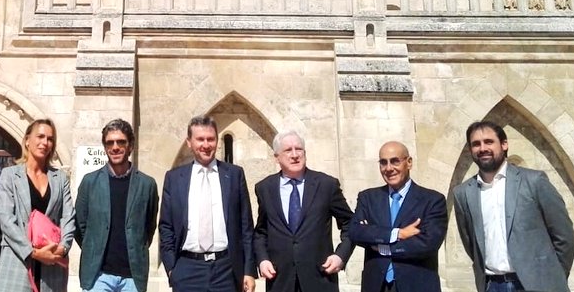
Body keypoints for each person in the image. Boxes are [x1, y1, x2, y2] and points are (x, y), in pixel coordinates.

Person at [453, 121, 574, 292]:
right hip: (492, 286)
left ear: (504, 144)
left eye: (489, 142)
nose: (482, 148)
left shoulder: (534, 181)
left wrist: (554, 277)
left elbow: (564, 237)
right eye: (476, 144)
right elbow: (471, 244)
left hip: (538, 285)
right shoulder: (463, 193)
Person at [158, 115, 256, 292]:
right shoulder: (174, 178)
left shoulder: (234, 175)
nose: (206, 145)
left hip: (226, 269)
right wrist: (172, 268)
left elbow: (246, 226)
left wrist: (248, 270)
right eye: (200, 139)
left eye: (210, 139)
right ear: (189, 142)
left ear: (217, 141)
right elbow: (166, 227)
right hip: (187, 269)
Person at [253, 130, 354, 292]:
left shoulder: (326, 185)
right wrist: (262, 259)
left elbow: (350, 224)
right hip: (280, 281)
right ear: (277, 157)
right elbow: (261, 231)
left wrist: (340, 256)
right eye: (288, 150)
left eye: (299, 149)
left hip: (320, 279)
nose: (295, 155)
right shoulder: (265, 188)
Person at [349, 141, 447, 292]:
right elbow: (356, 232)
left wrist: (383, 247)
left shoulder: (432, 200)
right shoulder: (368, 198)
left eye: (395, 161)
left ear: (409, 162)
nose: (389, 168)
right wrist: (398, 234)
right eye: (383, 162)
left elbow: (428, 244)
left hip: (416, 285)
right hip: (376, 285)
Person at [75, 118, 159, 292]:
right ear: (105, 147)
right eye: (110, 143)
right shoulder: (90, 182)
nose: (115, 147)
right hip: (98, 277)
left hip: (132, 278)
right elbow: (80, 226)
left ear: (131, 145)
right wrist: (94, 247)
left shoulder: (147, 184)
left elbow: (148, 228)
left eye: (121, 142)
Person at [0, 119, 75, 292]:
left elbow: (68, 216)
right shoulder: (9, 176)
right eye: (40, 136)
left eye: (50, 139)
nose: (45, 142)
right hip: (18, 261)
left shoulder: (60, 179)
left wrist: (62, 249)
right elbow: (7, 220)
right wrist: (33, 253)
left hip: (52, 265)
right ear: (27, 140)